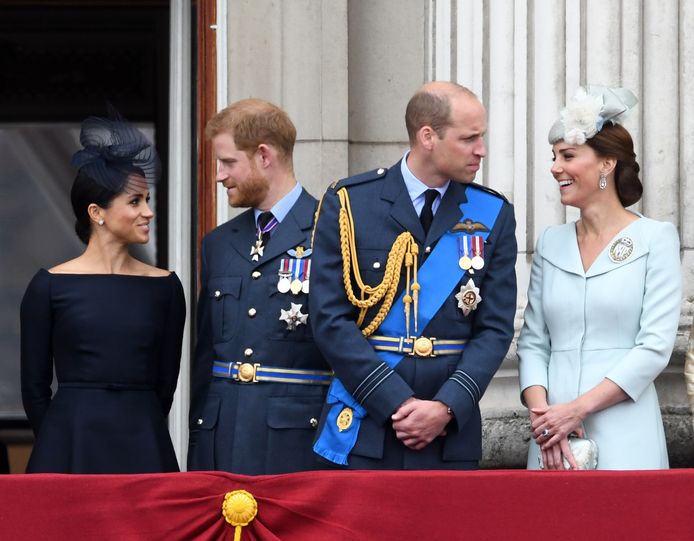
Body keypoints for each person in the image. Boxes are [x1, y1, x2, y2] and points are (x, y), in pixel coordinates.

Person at [309, 81, 517, 469]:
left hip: (448, 434)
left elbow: (495, 329)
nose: (481, 150)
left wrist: (446, 407)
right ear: (428, 137)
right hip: (368, 421)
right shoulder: (351, 203)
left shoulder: (493, 213)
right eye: (469, 138)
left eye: (482, 137)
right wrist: (396, 402)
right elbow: (329, 319)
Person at [517, 85, 681, 470]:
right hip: (552, 436)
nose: (555, 167)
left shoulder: (654, 238)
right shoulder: (550, 243)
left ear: (607, 164)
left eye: (568, 155)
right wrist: (544, 417)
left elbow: (655, 347)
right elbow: (533, 343)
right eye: (554, 157)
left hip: (625, 428)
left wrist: (577, 410)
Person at [20, 110, 185, 474]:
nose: (148, 212)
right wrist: (58, 441)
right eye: (135, 201)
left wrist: (140, 426)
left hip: (144, 443)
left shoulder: (166, 288)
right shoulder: (48, 285)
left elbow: (165, 387)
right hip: (69, 446)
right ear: (97, 212)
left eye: (147, 199)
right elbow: (34, 389)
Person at [187, 99, 332, 474]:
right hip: (222, 440)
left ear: (264, 155)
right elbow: (207, 358)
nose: (219, 175)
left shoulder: (331, 231)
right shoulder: (218, 243)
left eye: (228, 162)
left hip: (297, 441)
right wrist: (199, 441)